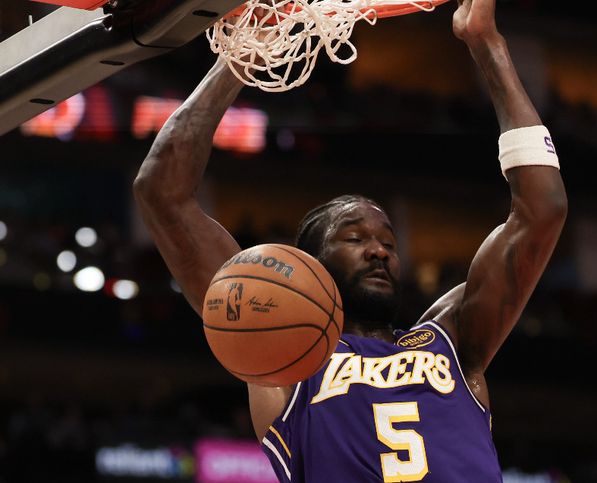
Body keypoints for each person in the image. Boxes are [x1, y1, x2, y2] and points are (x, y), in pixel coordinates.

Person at [133, 0, 567, 480]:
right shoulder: (281, 348)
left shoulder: (451, 339)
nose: (379, 250)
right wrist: (237, 62)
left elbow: (542, 210)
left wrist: (487, 44)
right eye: (355, 237)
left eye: (389, 243)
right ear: (312, 265)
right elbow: (162, 193)